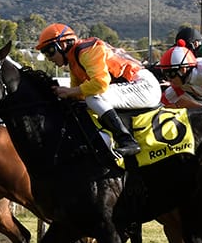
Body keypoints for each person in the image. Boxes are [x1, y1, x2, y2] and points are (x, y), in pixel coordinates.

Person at [36, 23, 162, 156]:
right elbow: (79, 95)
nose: (48, 58)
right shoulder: (74, 61)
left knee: (94, 96)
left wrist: (70, 92)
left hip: (144, 86)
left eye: (49, 51)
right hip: (133, 86)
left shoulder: (87, 51)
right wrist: (62, 93)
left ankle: (127, 141)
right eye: (45, 53)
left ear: (62, 44)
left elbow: (100, 84)